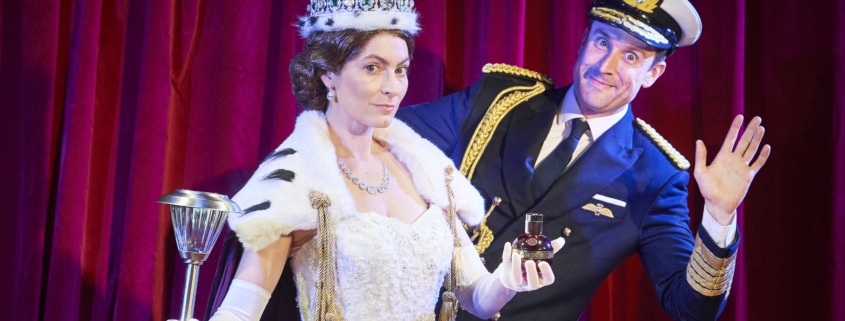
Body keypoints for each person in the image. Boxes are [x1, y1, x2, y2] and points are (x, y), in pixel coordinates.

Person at [396, 0, 771, 320]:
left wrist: (719, 216)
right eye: (602, 42)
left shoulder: (654, 176)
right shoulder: (501, 98)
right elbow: (387, 134)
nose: (606, 66)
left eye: (630, 56)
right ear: (582, 42)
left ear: (653, 73)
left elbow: (690, 309)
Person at [206, 1, 565, 320]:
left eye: (401, 69)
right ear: (327, 74)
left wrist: (508, 278)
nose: (393, 87)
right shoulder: (295, 179)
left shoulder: (424, 169)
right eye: (373, 68)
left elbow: (475, 296)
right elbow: (241, 309)